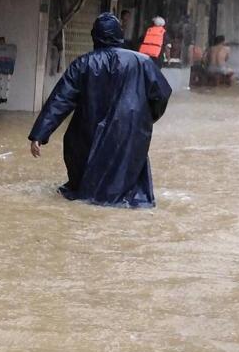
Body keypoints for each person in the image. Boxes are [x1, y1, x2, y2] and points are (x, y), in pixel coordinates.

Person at [28, 13, 172, 209]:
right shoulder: (142, 62)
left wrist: (39, 134)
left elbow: (60, 100)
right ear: (119, 34)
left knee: (86, 191)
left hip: (88, 133)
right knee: (126, 185)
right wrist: (144, 120)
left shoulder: (83, 64)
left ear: (94, 36)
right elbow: (162, 94)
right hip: (128, 134)